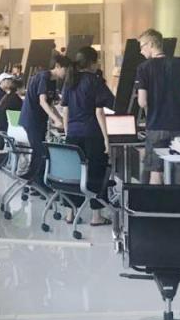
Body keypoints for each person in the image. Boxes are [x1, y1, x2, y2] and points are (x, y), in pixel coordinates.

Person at [134, 29, 180, 184]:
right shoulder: (179, 63)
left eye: (142, 46)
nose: (141, 51)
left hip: (156, 126)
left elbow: (142, 102)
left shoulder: (143, 68)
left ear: (151, 44)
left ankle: (157, 200)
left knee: (156, 172)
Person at [61, 47, 114, 225]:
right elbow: (100, 112)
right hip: (92, 134)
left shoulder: (70, 81)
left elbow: (65, 110)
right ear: (92, 62)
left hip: (73, 134)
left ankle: (70, 213)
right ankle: (96, 216)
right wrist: (106, 139)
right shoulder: (95, 81)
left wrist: (67, 133)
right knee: (96, 173)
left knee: (73, 173)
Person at [19, 55, 71, 185]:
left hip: (40, 120)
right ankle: (38, 182)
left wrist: (60, 119)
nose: (67, 73)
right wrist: (56, 120)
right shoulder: (44, 77)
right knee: (41, 151)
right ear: (57, 66)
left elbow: (50, 104)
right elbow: (42, 102)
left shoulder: (53, 81)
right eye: (65, 69)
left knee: (39, 150)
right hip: (32, 119)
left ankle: (31, 177)